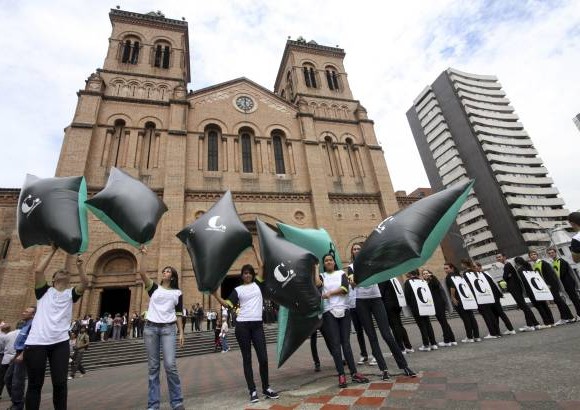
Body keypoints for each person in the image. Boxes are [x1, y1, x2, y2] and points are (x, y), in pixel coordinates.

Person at [212, 246, 279, 404]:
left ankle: (266, 387)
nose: (247, 274)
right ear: (242, 276)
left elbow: (261, 266)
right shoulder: (237, 290)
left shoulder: (258, 284)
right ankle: (252, 390)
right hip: (242, 326)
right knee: (247, 359)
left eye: (249, 272)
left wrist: (256, 249)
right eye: (245, 273)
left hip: (257, 325)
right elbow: (227, 304)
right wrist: (215, 294)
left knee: (263, 358)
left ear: (252, 274)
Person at [24, 246, 88, 410]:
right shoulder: (44, 291)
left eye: (67, 272)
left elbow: (85, 283)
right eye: (60, 272)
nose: (64, 272)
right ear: (53, 279)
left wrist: (80, 267)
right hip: (37, 342)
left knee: (60, 383)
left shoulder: (70, 294)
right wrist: (52, 250)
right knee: (34, 384)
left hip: (60, 342)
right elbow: (38, 271)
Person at [349, 243, 416, 379]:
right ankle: (383, 369)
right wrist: (353, 282)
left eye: (358, 248)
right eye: (354, 249)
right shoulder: (351, 267)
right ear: (352, 252)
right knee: (372, 336)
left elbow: (383, 275)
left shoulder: (373, 263)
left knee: (387, 334)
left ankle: (404, 366)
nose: (356, 251)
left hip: (376, 299)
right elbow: (352, 283)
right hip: (361, 301)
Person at [138, 246, 185, 410]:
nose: (164, 273)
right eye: (163, 271)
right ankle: (153, 405)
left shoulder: (177, 293)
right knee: (153, 368)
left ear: (172, 277)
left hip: (168, 330)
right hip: (150, 328)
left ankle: (177, 402)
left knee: (170, 366)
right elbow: (142, 273)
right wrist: (143, 255)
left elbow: (179, 313)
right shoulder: (154, 288)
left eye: (167, 271)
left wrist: (181, 332)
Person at [315, 251, 369, 388]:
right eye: (326, 261)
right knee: (335, 344)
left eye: (330, 260)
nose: (328, 262)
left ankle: (354, 373)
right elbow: (317, 285)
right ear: (324, 264)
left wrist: (330, 293)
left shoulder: (341, 274)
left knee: (346, 344)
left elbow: (345, 289)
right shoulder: (322, 276)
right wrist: (316, 268)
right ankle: (341, 375)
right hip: (329, 312)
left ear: (334, 262)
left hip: (344, 310)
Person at [529, 250, 574, 325]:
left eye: (534, 254)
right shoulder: (534, 265)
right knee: (558, 301)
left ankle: (569, 317)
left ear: (537, 255)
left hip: (551, 285)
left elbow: (551, 275)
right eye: (531, 255)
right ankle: (565, 317)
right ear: (529, 257)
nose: (533, 256)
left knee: (559, 300)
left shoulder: (543, 263)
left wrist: (549, 284)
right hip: (546, 286)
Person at [496, 253, 539, 331]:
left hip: (514, 289)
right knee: (524, 306)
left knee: (524, 306)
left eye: (499, 257)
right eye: (497, 257)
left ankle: (533, 324)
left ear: (504, 257)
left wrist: (507, 277)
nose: (498, 258)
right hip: (517, 288)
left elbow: (505, 277)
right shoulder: (510, 265)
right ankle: (533, 324)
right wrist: (507, 276)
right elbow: (507, 276)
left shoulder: (507, 265)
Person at [461, 259, 501, 339]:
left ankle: (492, 333)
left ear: (464, 264)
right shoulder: (476, 271)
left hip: (477, 295)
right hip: (485, 294)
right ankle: (497, 332)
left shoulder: (466, 273)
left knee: (485, 315)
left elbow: (468, 285)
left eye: (462, 264)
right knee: (490, 314)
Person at [5, 306, 36, 410]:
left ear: (33, 314)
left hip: (24, 354)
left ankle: (17, 404)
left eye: (26, 312)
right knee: (8, 378)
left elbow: (31, 340)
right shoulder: (25, 325)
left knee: (17, 381)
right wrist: (16, 355)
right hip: (18, 353)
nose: (23, 313)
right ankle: (17, 400)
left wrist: (23, 354)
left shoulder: (33, 325)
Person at [444, 262, 480, 342]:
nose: (445, 270)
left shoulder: (449, 276)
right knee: (471, 317)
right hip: (465, 298)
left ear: (452, 268)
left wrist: (453, 297)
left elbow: (452, 287)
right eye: (444, 268)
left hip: (458, 299)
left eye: (447, 268)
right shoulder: (459, 275)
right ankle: (476, 336)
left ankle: (470, 337)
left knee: (465, 318)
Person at [475, 262, 515, 335]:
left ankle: (506, 329)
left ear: (479, 267)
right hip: (495, 296)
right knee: (497, 314)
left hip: (492, 296)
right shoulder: (486, 273)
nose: (474, 268)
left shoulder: (481, 275)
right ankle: (502, 330)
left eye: (475, 267)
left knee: (498, 313)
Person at [514, 256, 554, 328]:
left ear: (517, 263)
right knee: (544, 305)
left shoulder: (520, 270)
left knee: (539, 307)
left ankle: (547, 322)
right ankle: (551, 321)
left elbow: (524, 282)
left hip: (530, 290)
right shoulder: (529, 267)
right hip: (537, 288)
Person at [404, 270, 438, 351]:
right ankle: (433, 343)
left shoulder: (408, 282)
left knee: (422, 325)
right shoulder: (422, 281)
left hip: (416, 306)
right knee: (428, 324)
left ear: (410, 273)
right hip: (425, 305)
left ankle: (426, 345)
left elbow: (407, 295)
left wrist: (410, 304)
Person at [378, 278, 414, 353]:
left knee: (395, 327)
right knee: (399, 325)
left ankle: (401, 348)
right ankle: (408, 346)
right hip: (397, 304)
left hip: (389, 305)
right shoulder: (393, 278)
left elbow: (380, 293)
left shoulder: (382, 278)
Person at [422, 269, 457, 346]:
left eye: (427, 273)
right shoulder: (425, 284)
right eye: (424, 274)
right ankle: (452, 340)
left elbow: (436, 283)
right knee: (444, 322)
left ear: (430, 274)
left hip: (438, 304)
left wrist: (432, 276)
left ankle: (447, 341)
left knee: (443, 322)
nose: (425, 275)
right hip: (435, 305)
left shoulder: (433, 281)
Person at [547, 247, 580, 320]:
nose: (551, 254)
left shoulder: (561, 261)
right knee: (573, 298)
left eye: (552, 252)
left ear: (555, 253)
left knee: (574, 298)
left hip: (569, 282)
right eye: (549, 253)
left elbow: (561, 273)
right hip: (564, 283)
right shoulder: (554, 262)